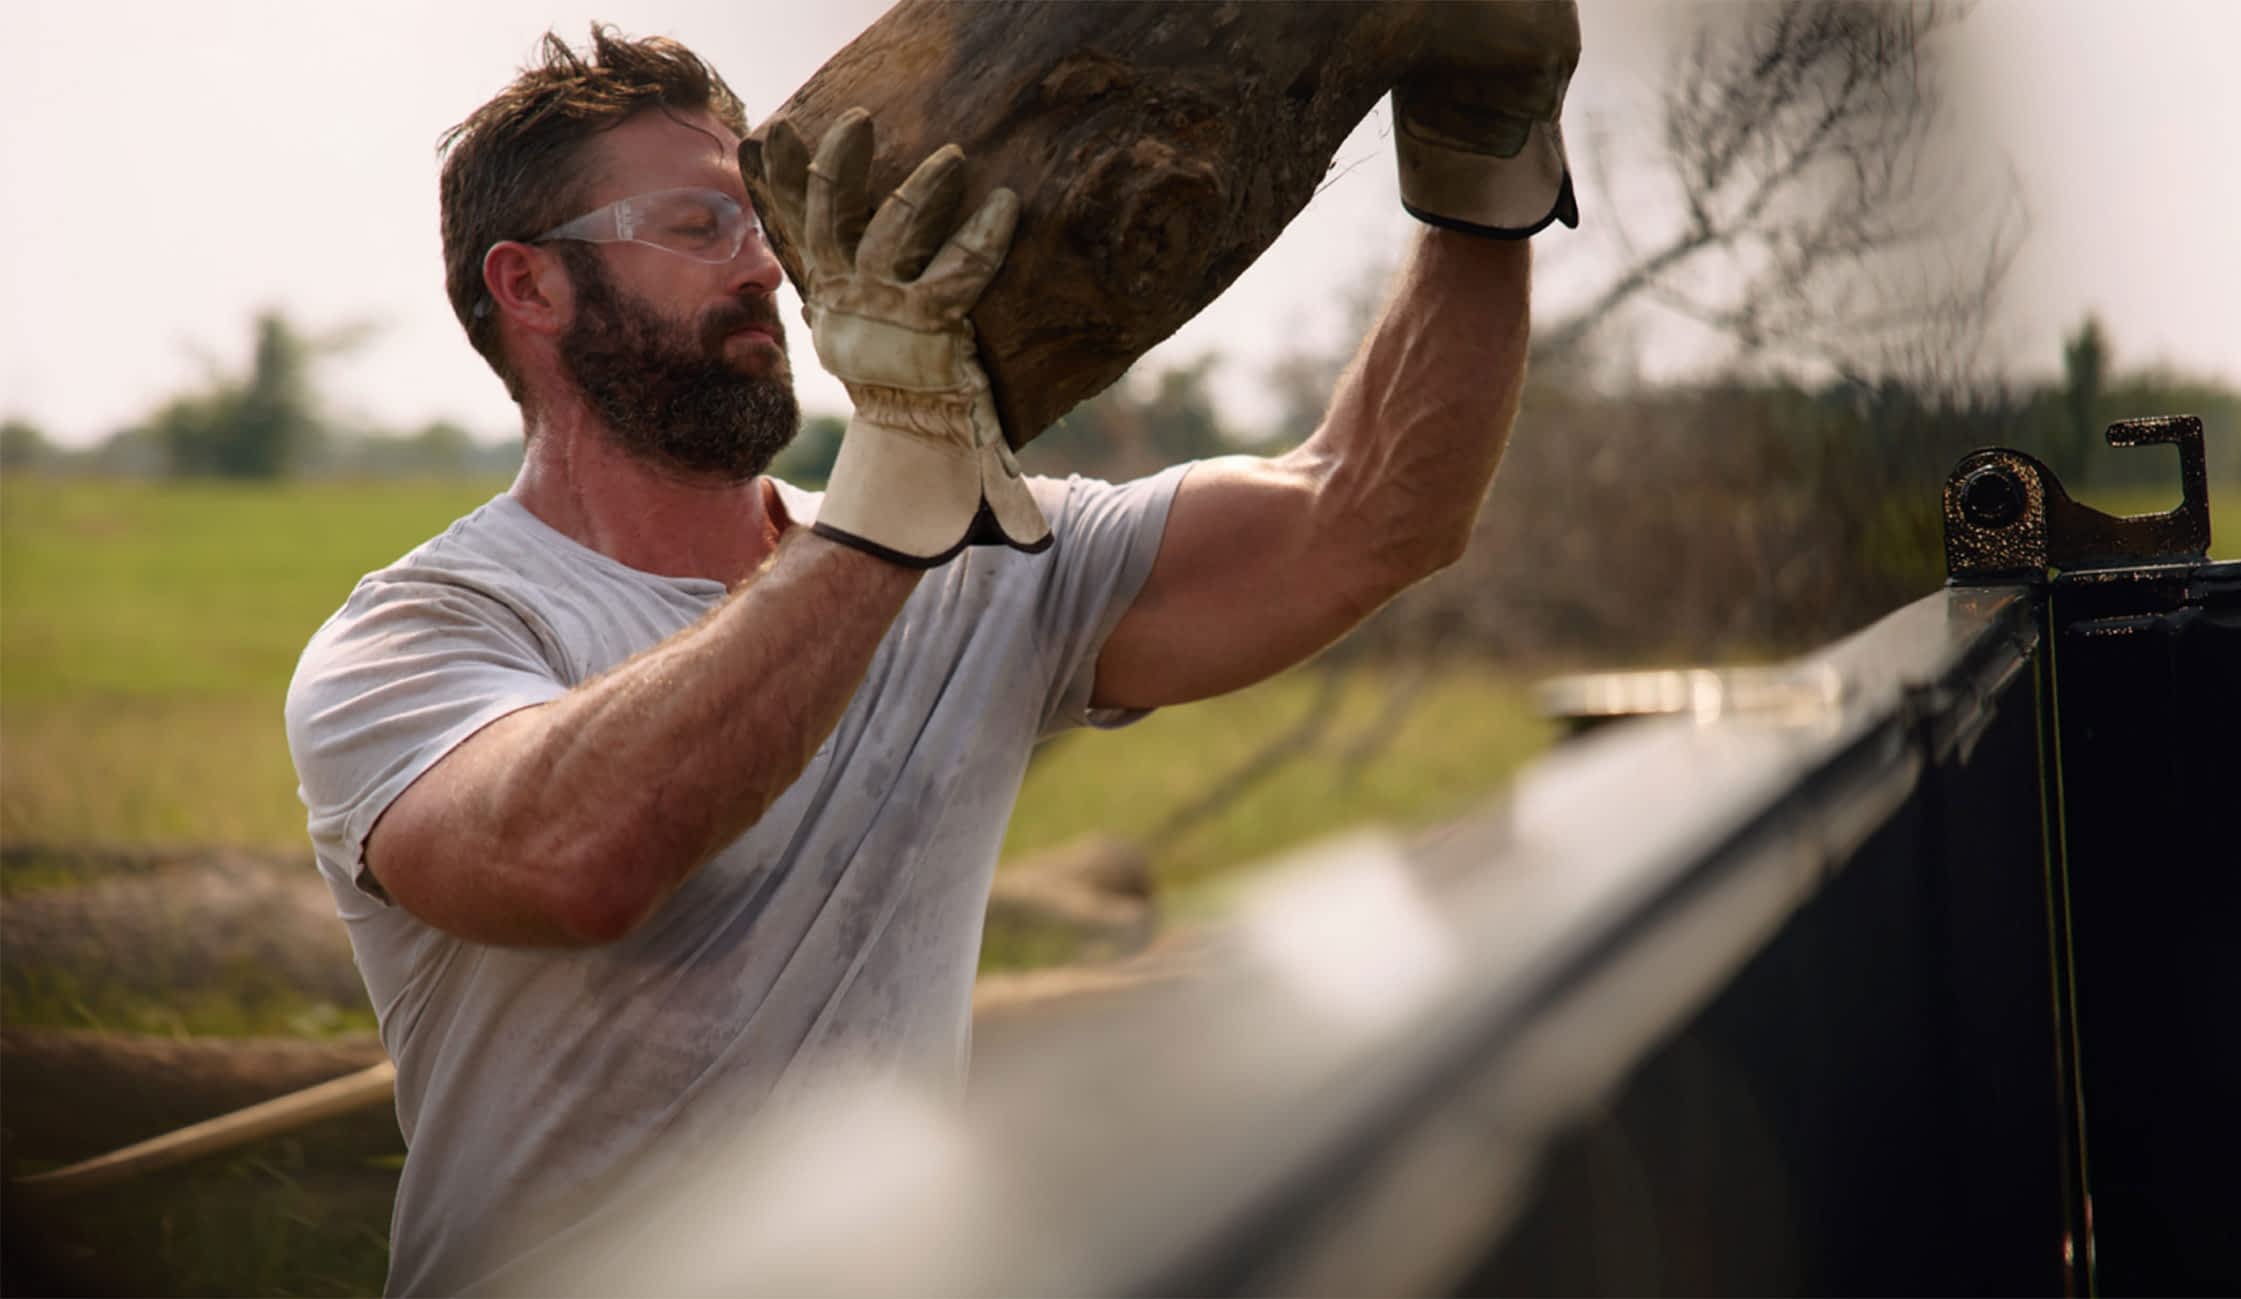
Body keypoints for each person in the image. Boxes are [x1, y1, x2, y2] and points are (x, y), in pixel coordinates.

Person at [287, 14, 1574, 1295]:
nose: (763, 271)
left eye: (756, 221)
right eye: (695, 228)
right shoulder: (421, 634)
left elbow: (1374, 510)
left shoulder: (975, 564)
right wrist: (889, 501)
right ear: (530, 288)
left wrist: (1481, 177)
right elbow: (575, 860)